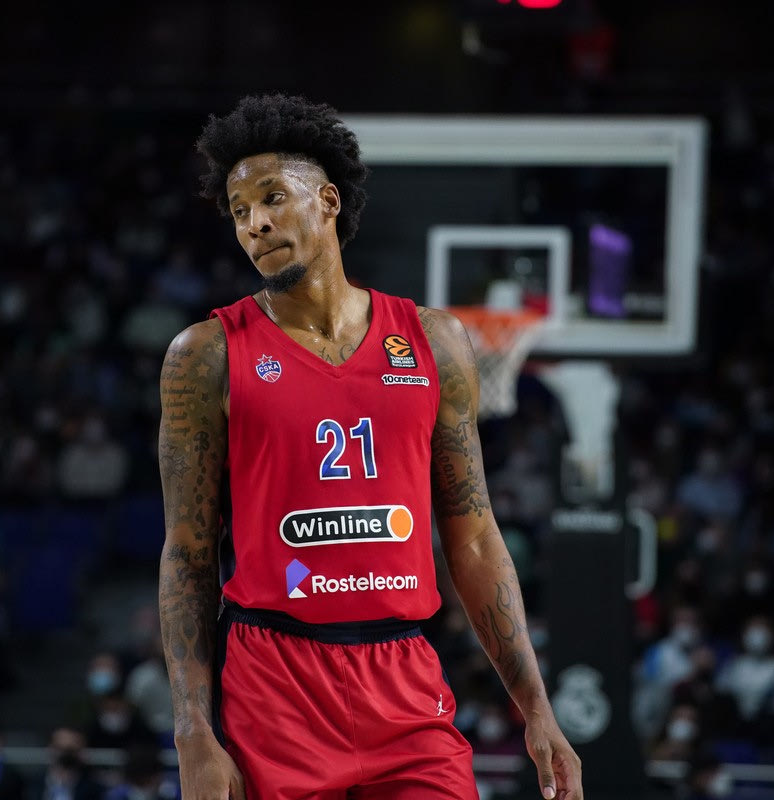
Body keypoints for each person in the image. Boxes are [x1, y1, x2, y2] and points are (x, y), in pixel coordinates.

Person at [158, 94, 583, 799]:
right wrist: (193, 733)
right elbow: (187, 555)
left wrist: (536, 709)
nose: (255, 223)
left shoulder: (434, 341)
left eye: (272, 198)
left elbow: (476, 538)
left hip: (405, 680)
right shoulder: (204, 355)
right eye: (239, 212)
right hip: (274, 686)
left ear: (327, 201)